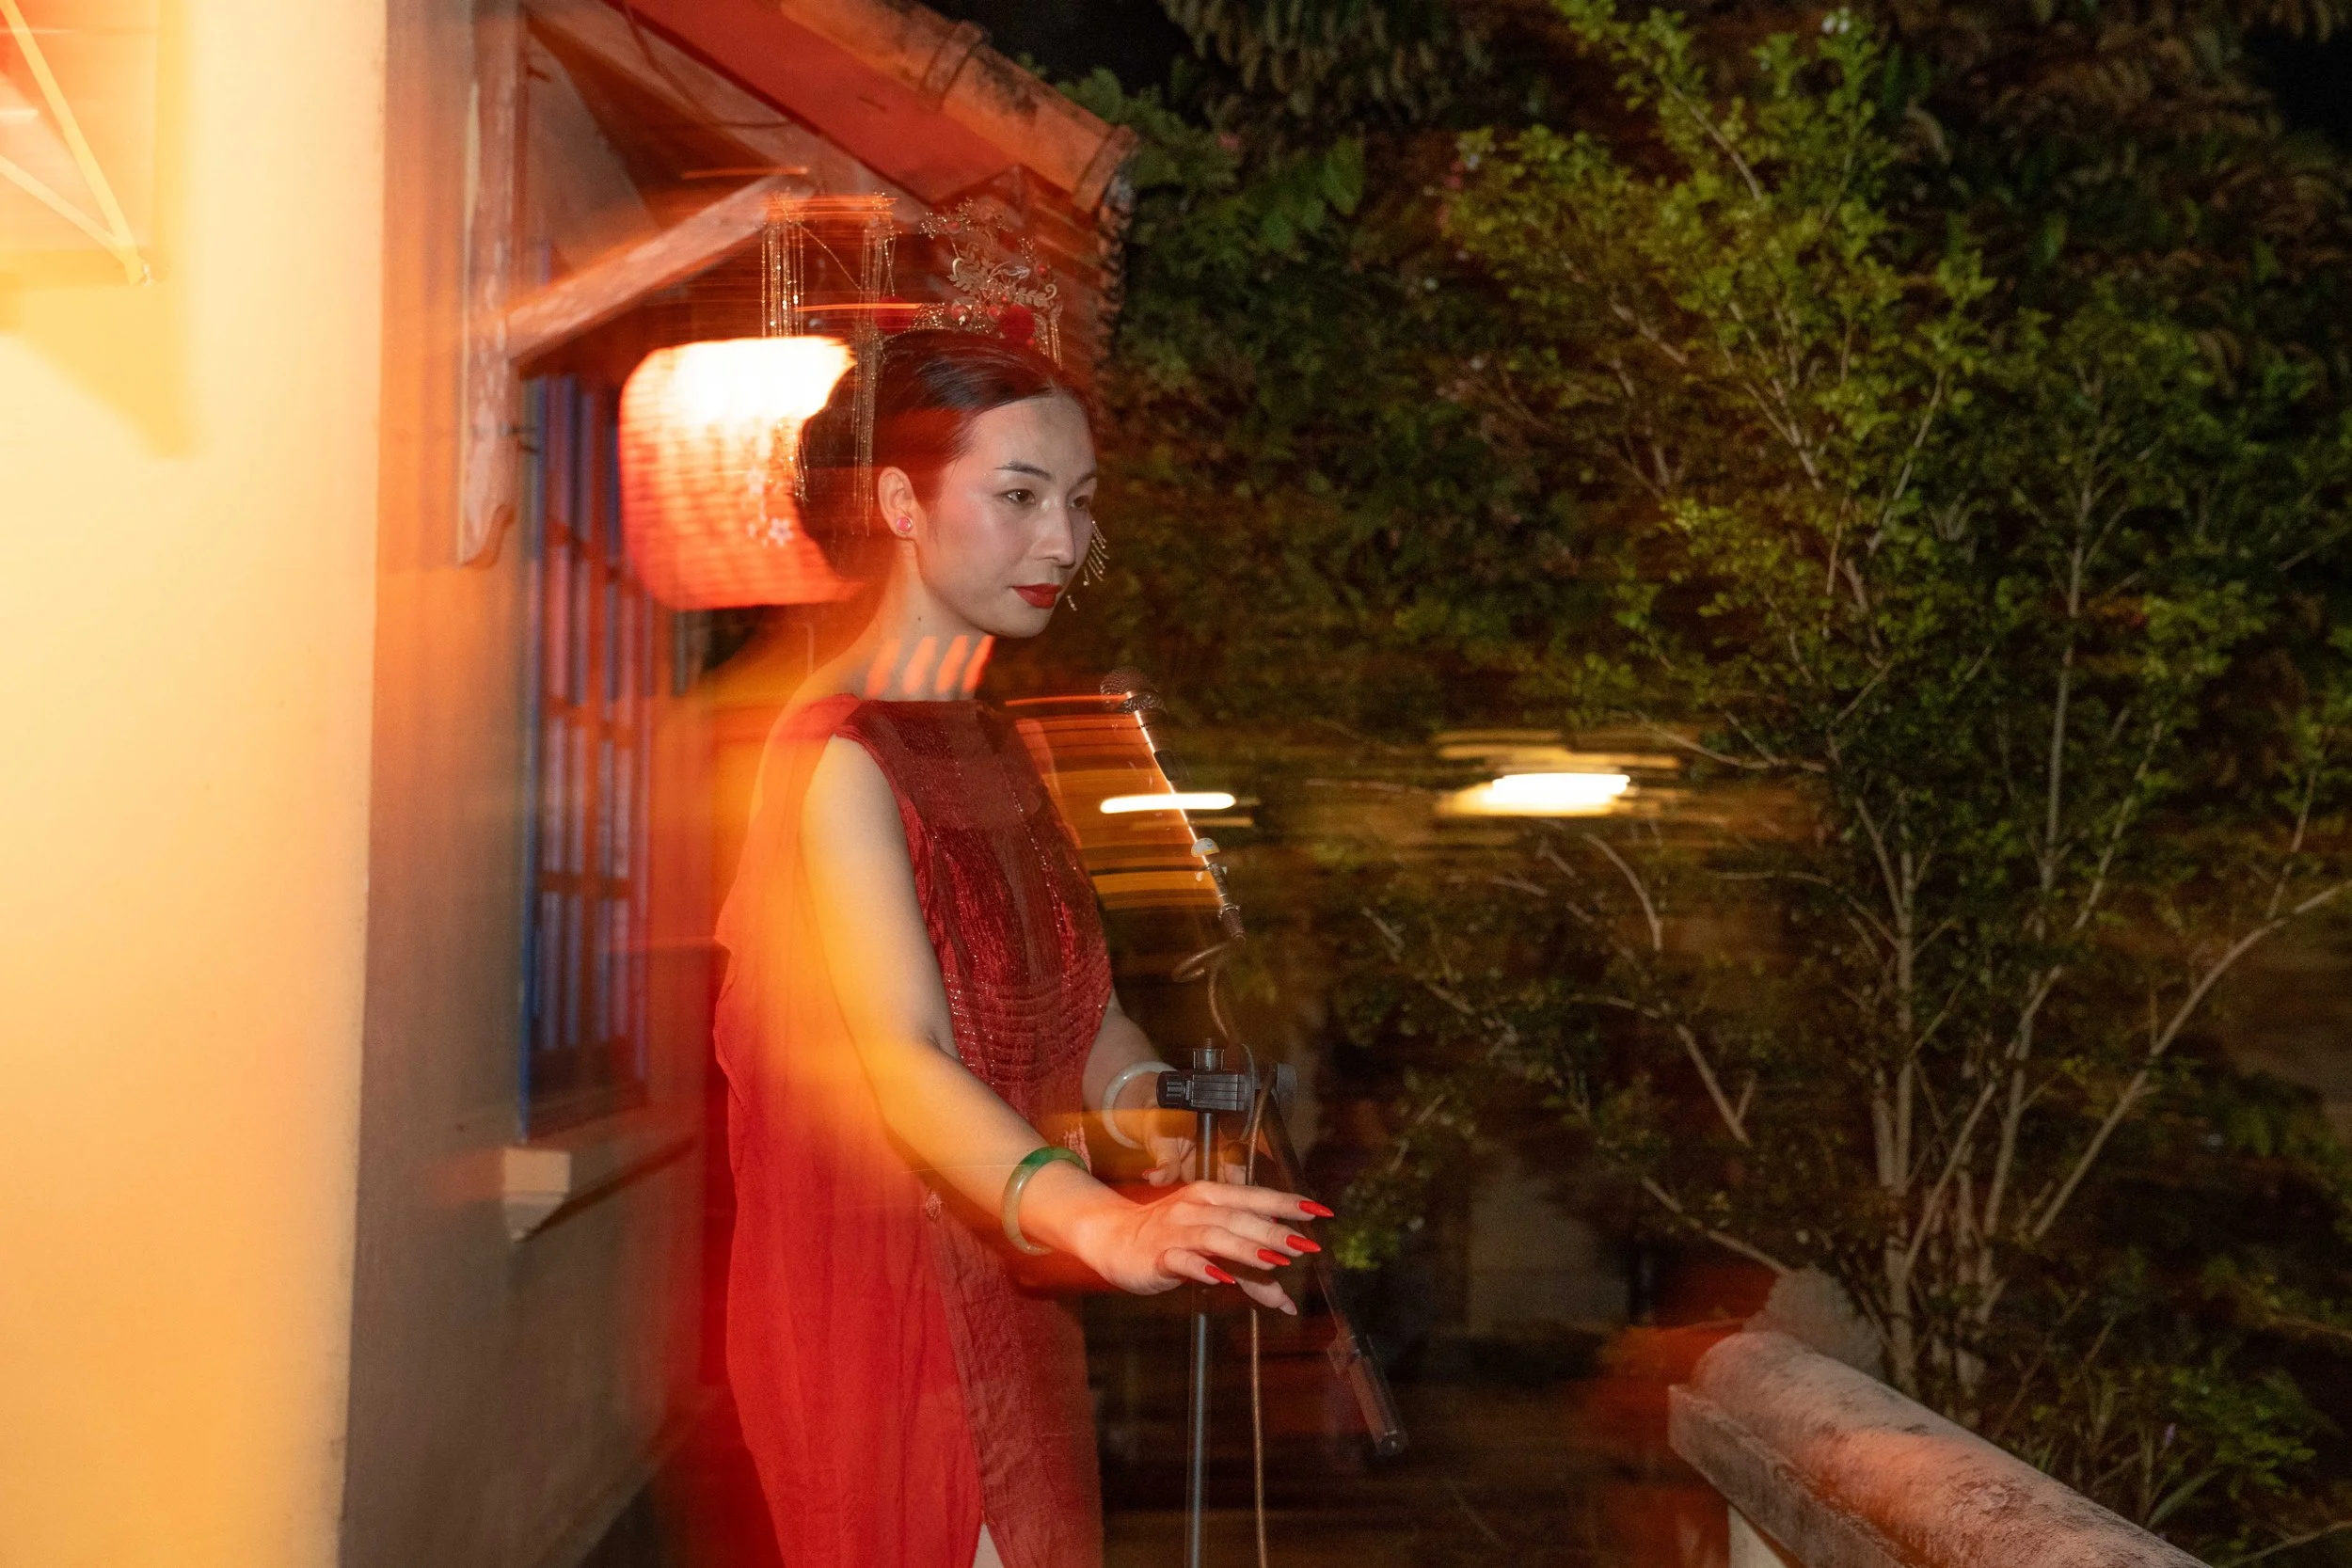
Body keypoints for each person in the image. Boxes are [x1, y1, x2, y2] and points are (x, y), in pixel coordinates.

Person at [712, 329, 1327, 1568]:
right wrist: (1107, 1227)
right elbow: (903, 1056)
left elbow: (1085, 1016)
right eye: (1020, 495)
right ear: (898, 501)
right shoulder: (838, 754)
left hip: (1008, 1270)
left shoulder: (996, 745)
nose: (1064, 542)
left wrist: (1172, 1132)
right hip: (883, 1314)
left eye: (1082, 502)